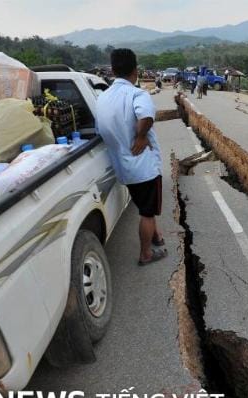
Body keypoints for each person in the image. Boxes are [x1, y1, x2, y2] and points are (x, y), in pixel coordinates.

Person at [96, 49, 167, 266]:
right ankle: (146, 253)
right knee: (147, 212)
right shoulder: (137, 94)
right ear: (135, 71)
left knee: (144, 204)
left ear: (113, 70)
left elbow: (101, 129)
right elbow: (146, 116)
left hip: (123, 168)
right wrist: (141, 135)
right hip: (143, 167)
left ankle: (156, 236)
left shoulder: (103, 97)